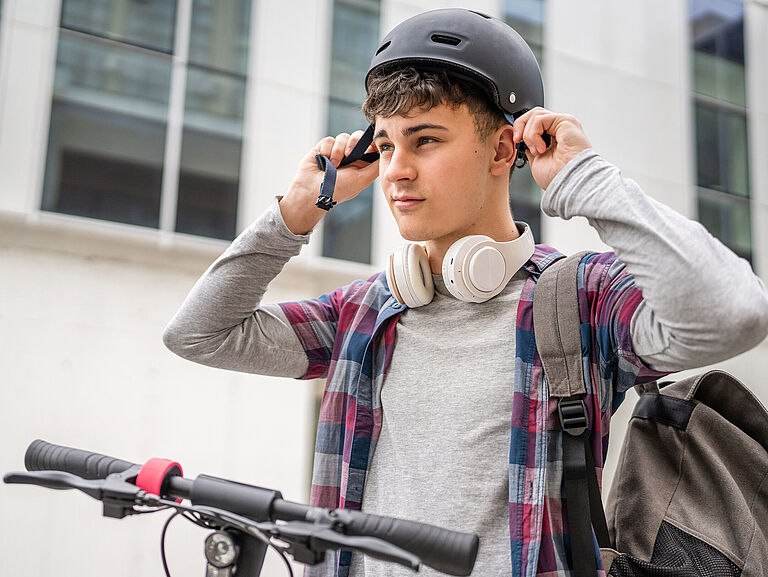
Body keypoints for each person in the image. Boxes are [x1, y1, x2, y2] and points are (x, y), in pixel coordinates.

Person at [162, 8, 768, 577]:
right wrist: (295, 211)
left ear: (504, 149)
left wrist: (588, 181)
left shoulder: (580, 301)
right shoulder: (364, 313)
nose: (397, 169)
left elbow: (732, 312)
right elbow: (198, 334)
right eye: (387, 143)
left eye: (426, 141)